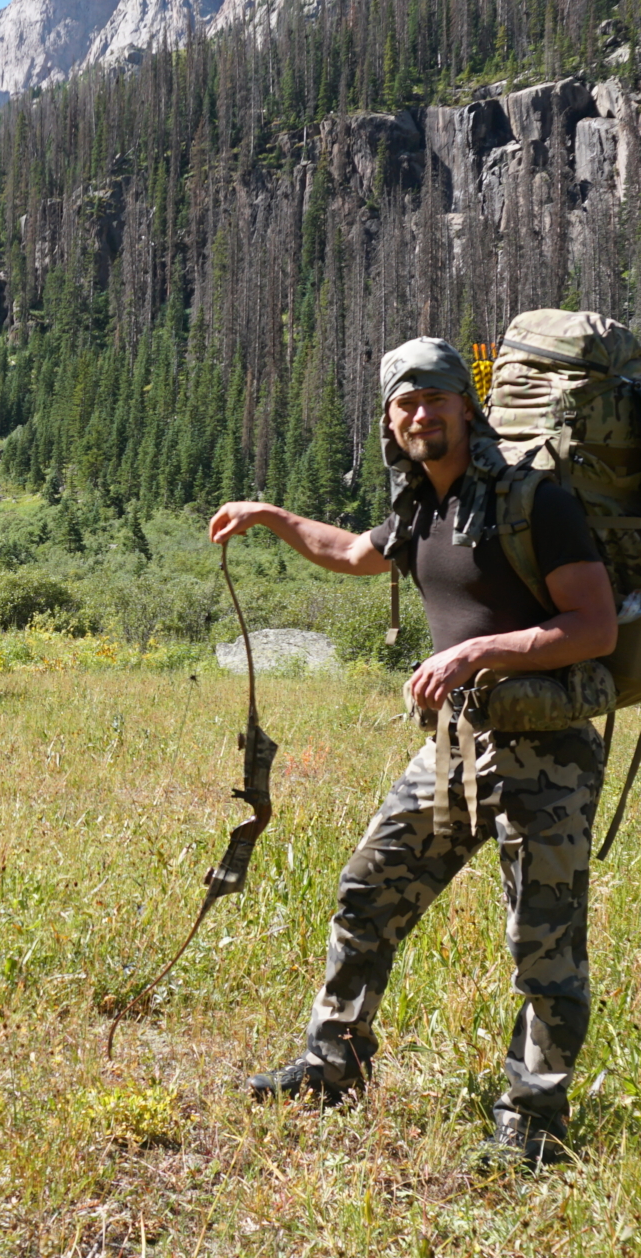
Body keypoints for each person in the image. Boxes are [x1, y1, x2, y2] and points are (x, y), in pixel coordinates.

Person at [205, 336, 617, 1169]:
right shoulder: (420, 505)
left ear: (468, 408)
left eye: (434, 398)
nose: (420, 413)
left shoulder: (536, 500)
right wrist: (270, 517)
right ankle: (332, 1068)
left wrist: (476, 652)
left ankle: (534, 1125)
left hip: (546, 756)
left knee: (543, 945)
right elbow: (353, 555)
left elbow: (595, 626)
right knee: (369, 892)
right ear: (389, 423)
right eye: (404, 403)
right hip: (457, 747)